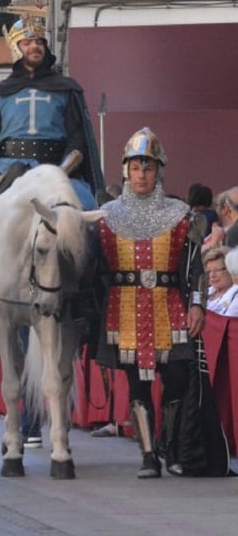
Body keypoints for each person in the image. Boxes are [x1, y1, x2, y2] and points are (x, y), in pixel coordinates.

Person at [0, 13, 103, 358]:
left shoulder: (66, 89)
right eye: (28, 42)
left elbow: (77, 139)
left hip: (57, 168)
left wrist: (60, 172)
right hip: (7, 169)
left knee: (90, 216)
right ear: (16, 48)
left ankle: (86, 296)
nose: (35, 47)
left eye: (39, 42)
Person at [95, 127, 205, 478]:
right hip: (124, 309)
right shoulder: (106, 215)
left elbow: (196, 264)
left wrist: (198, 303)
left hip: (169, 306)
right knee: (137, 386)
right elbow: (93, 269)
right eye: (136, 167)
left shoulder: (180, 214)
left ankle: (170, 449)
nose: (142, 175)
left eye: (149, 168)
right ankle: (147, 456)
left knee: (175, 379)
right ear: (126, 170)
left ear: (159, 171)